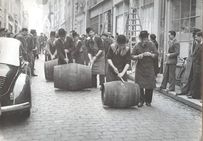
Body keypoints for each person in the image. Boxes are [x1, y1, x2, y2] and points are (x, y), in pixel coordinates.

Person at [131, 30, 158, 107]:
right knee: (140, 85)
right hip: (140, 68)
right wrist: (137, 56)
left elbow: (156, 54)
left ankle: (148, 101)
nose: (145, 41)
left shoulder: (152, 44)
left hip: (149, 67)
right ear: (140, 38)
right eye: (143, 39)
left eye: (146, 39)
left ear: (147, 37)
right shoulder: (137, 45)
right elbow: (132, 56)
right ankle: (141, 101)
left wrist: (151, 55)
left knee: (150, 85)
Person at [176, 29, 201, 96]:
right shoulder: (193, 42)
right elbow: (191, 52)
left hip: (196, 63)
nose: (193, 36)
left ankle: (190, 92)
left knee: (193, 78)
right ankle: (186, 91)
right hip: (191, 62)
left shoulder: (198, 43)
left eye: (194, 34)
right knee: (188, 77)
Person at [188, 31, 202, 99]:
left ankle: (197, 95)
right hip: (196, 64)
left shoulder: (201, 45)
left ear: (200, 37)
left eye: (197, 36)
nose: (195, 38)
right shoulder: (198, 44)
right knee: (195, 79)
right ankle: (195, 95)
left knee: (197, 79)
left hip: (199, 65)